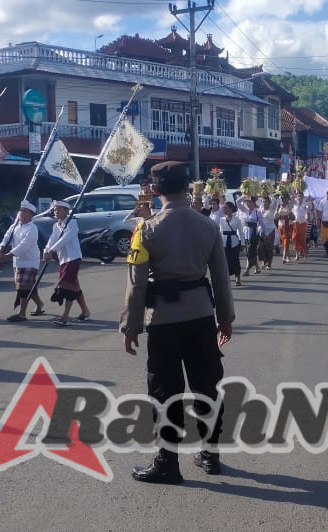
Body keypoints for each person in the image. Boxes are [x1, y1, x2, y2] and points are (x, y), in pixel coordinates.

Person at [120, 161, 235, 484]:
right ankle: (210, 454)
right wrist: (225, 318)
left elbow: (137, 282)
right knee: (206, 387)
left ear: (155, 191)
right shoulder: (208, 226)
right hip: (201, 317)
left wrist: (131, 326)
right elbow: (221, 278)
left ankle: (168, 462)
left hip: (164, 321)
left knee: (165, 392)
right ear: (189, 187)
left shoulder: (146, 229)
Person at [44, 200, 91, 326]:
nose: (56, 211)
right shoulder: (56, 226)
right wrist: (46, 250)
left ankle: (65, 317)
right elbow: (52, 240)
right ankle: (85, 312)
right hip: (63, 259)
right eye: (55, 209)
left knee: (67, 286)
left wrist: (52, 250)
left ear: (66, 211)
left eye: (58, 209)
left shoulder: (72, 223)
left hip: (73, 258)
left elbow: (65, 239)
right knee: (74, 286)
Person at [0, 201, 45, 322]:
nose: (22, 213)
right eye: (21, 210)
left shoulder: (32, 228)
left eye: (25, 211)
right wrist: (1, 248)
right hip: (18, 262)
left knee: (22, 288)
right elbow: (7, 236)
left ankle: (22, 314)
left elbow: (23, 246)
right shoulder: (15, 225)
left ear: (31, 214)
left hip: (30, 262)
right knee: (28, 287)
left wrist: (7, 256)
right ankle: (40, 304)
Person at [217, 201, 243, 286]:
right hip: (224, 242)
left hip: (234, 242)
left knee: (235, 260)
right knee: (226, 261)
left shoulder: (237, 219)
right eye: (223, 208)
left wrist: (242, 243)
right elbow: (220, 232)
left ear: (231, 209)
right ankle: (227, 277)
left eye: (226, 208)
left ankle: (237, 278)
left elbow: (241, 232)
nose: (224, 209)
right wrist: (219, 243)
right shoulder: (221, 220)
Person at [238, 197, 263, 274]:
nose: (249, 204)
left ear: (254, 203)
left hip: (254, 233)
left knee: (250, 250)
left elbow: (261, 223)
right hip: (246, 233)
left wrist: (264, 233)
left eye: (250, 202)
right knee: (249, 250)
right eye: (247, 202)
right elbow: (237, 201)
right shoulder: (244, 210)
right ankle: (257, 267)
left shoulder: (257, 212)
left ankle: (247, 269)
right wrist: (245, 196)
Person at [276, 196, 296, 264]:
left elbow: (293, 198)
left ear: (288, 199)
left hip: (288, 225)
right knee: (283, 240)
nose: (284, 200)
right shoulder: (279, 205)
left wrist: (293, 190)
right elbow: (275, 215)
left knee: (286, 240)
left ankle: (284, 257)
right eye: (282, 198)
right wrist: (278, 214)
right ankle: (288, 256)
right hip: (281, 225)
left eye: (285, 198)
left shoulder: (289, 205)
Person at [258, 196, 277, 270]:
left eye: (266, 201)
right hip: (262, 230)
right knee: (260, 248)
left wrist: (268, 193)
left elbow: (275, 201)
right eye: (263, 201)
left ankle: (269, 264)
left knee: (269, 248)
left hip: (270, 230)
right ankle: (264, 261)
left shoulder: (272, 208)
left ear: (269, 202)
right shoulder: (261, 208)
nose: (264, 203)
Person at [291, 194, 308, 261]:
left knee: (302, 238)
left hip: (303, 223)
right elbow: (292, 198)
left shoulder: (305, 203)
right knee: (294, 238)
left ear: (303, 197)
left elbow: (308, 209)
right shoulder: (295, 203)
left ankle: (304, 251)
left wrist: (306, 205)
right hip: (296, 223)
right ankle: (297, 255)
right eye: (298, 196)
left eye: (301, 196)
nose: (299, 197)